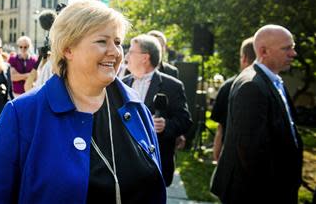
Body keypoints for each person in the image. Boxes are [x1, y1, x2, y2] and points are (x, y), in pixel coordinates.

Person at [0, 1, 166, 203]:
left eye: (118, 42)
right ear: (68, 49)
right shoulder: (22, 114)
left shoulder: (137, 109)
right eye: (102, 41)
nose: (115, 52)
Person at [210, 25, 303, 204]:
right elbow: (252, 152)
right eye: (287, 48)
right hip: (257, 193)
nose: (293, 53)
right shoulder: (251, 86)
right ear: (263, 51)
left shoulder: (272, 80)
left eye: (292, 46)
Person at [123, 34, 192, 187]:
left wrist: (166, 125)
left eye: (131, 52)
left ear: (145, 58)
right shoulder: (122, 84)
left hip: (155, 164)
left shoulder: (172, 86)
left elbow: (185, 120)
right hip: (125, 162)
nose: (126, 56)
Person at [211, 37, 255, 161]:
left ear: (244, 58)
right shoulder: (271, 86)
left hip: (230, 154)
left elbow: (220, 127)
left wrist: (217, 155)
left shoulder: (228, 86)